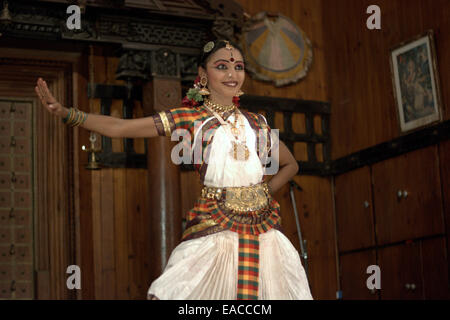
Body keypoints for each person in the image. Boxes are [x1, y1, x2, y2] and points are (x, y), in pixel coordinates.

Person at [35, 39, 313, 300]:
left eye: (238, 67)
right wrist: (68, 114)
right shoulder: (190, 118)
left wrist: (263, 192)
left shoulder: (257, 123)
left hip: (264, 232)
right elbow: (121, 128)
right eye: (222, 66)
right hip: (216, 228)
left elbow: (290, 165)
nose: (232, 74)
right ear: (203, 75)